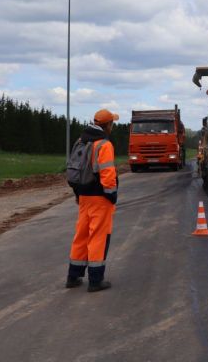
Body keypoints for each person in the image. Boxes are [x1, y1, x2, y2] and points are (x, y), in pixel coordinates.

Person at [66, 109, 119, 292]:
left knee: (81, 235)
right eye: (112, 123)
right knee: (98, 237)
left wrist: (77, 194)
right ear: (107, 125)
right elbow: (108, 174)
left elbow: (74, 170)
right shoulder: (104, 144)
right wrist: (112, 196)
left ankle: (73, 277)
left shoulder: (80, 141)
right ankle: (96, 280)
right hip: (100, 197)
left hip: (83, 196)